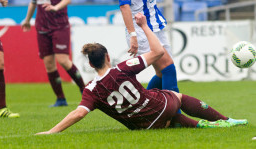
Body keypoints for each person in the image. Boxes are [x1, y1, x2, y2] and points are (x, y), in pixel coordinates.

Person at [35, 13, 247, 134]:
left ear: (90, 64)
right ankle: (222, 119)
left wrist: (51, 131)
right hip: (158, 107)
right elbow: (158, 52)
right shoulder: (123, 67)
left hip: (142, 126)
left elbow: (79, 113)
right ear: (108, 56)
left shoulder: (91, 90)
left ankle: (201, 125)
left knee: (164, 112)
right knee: (176, 98)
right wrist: (144, 26)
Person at [22, 0, 85, 107]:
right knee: (49, 63)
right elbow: (33, 2)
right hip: (42, 27)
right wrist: (27, 20)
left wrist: (56, 7)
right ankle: (61, 99)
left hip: (59, 25)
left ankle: (84, 90)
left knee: (63, 60)